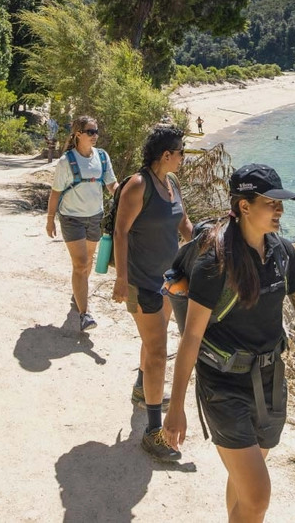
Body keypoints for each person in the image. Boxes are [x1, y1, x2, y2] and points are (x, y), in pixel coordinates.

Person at [164, 164, 295, 522]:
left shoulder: (283, 252)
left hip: (272, 382)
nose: (280, 210)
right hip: (223, 385)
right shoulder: (216, 260)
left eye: (281, 203)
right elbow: (192, 336)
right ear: (244, 206)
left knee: (246, 483)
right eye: (272, 203)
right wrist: (176, 406)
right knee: (258, 496)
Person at [112, 124, 192, 461]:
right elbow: (120, 231)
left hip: (168, 281)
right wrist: (120, 279)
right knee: (159, 350)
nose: (183, 159)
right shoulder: (138, 185)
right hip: (141, 282)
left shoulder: (171, 184)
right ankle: (153, 431)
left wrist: (215, 242)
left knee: (152, 345)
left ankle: (143, 388)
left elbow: (184, 226)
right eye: (180, 153)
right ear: (166, 155)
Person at [46, 115, 117, 332]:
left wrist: (129, 198)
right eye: (90, 132)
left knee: (87, 264)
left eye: (96, 131)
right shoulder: (66, 161)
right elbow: (55, 193)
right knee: (79, 264)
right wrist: (50, 220)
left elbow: (112, 185)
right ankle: (85, 314)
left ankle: (78, 293)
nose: (95, 136)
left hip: (95, 216)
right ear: (78, 134)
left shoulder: (102, 157)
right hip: (71, 218)